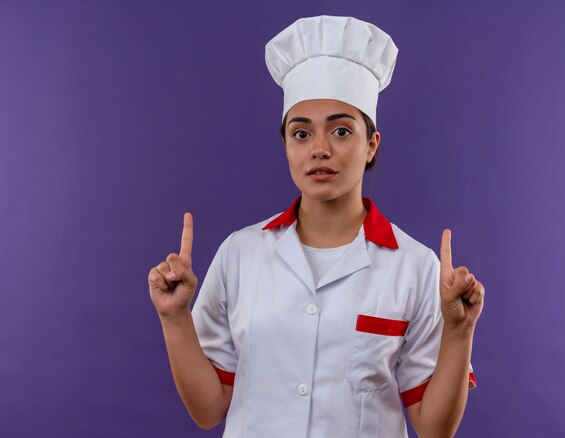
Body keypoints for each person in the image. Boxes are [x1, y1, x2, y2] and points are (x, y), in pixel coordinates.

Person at [148, 15, 485, 438]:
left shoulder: (415, 266)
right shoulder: (240, 254)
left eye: (341, 130)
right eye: (302, 133)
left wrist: (459, 331)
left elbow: (434, 428)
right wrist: (175, 318)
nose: (320, 149)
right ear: (286, 145)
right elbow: (208, 409)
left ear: (371, 144)